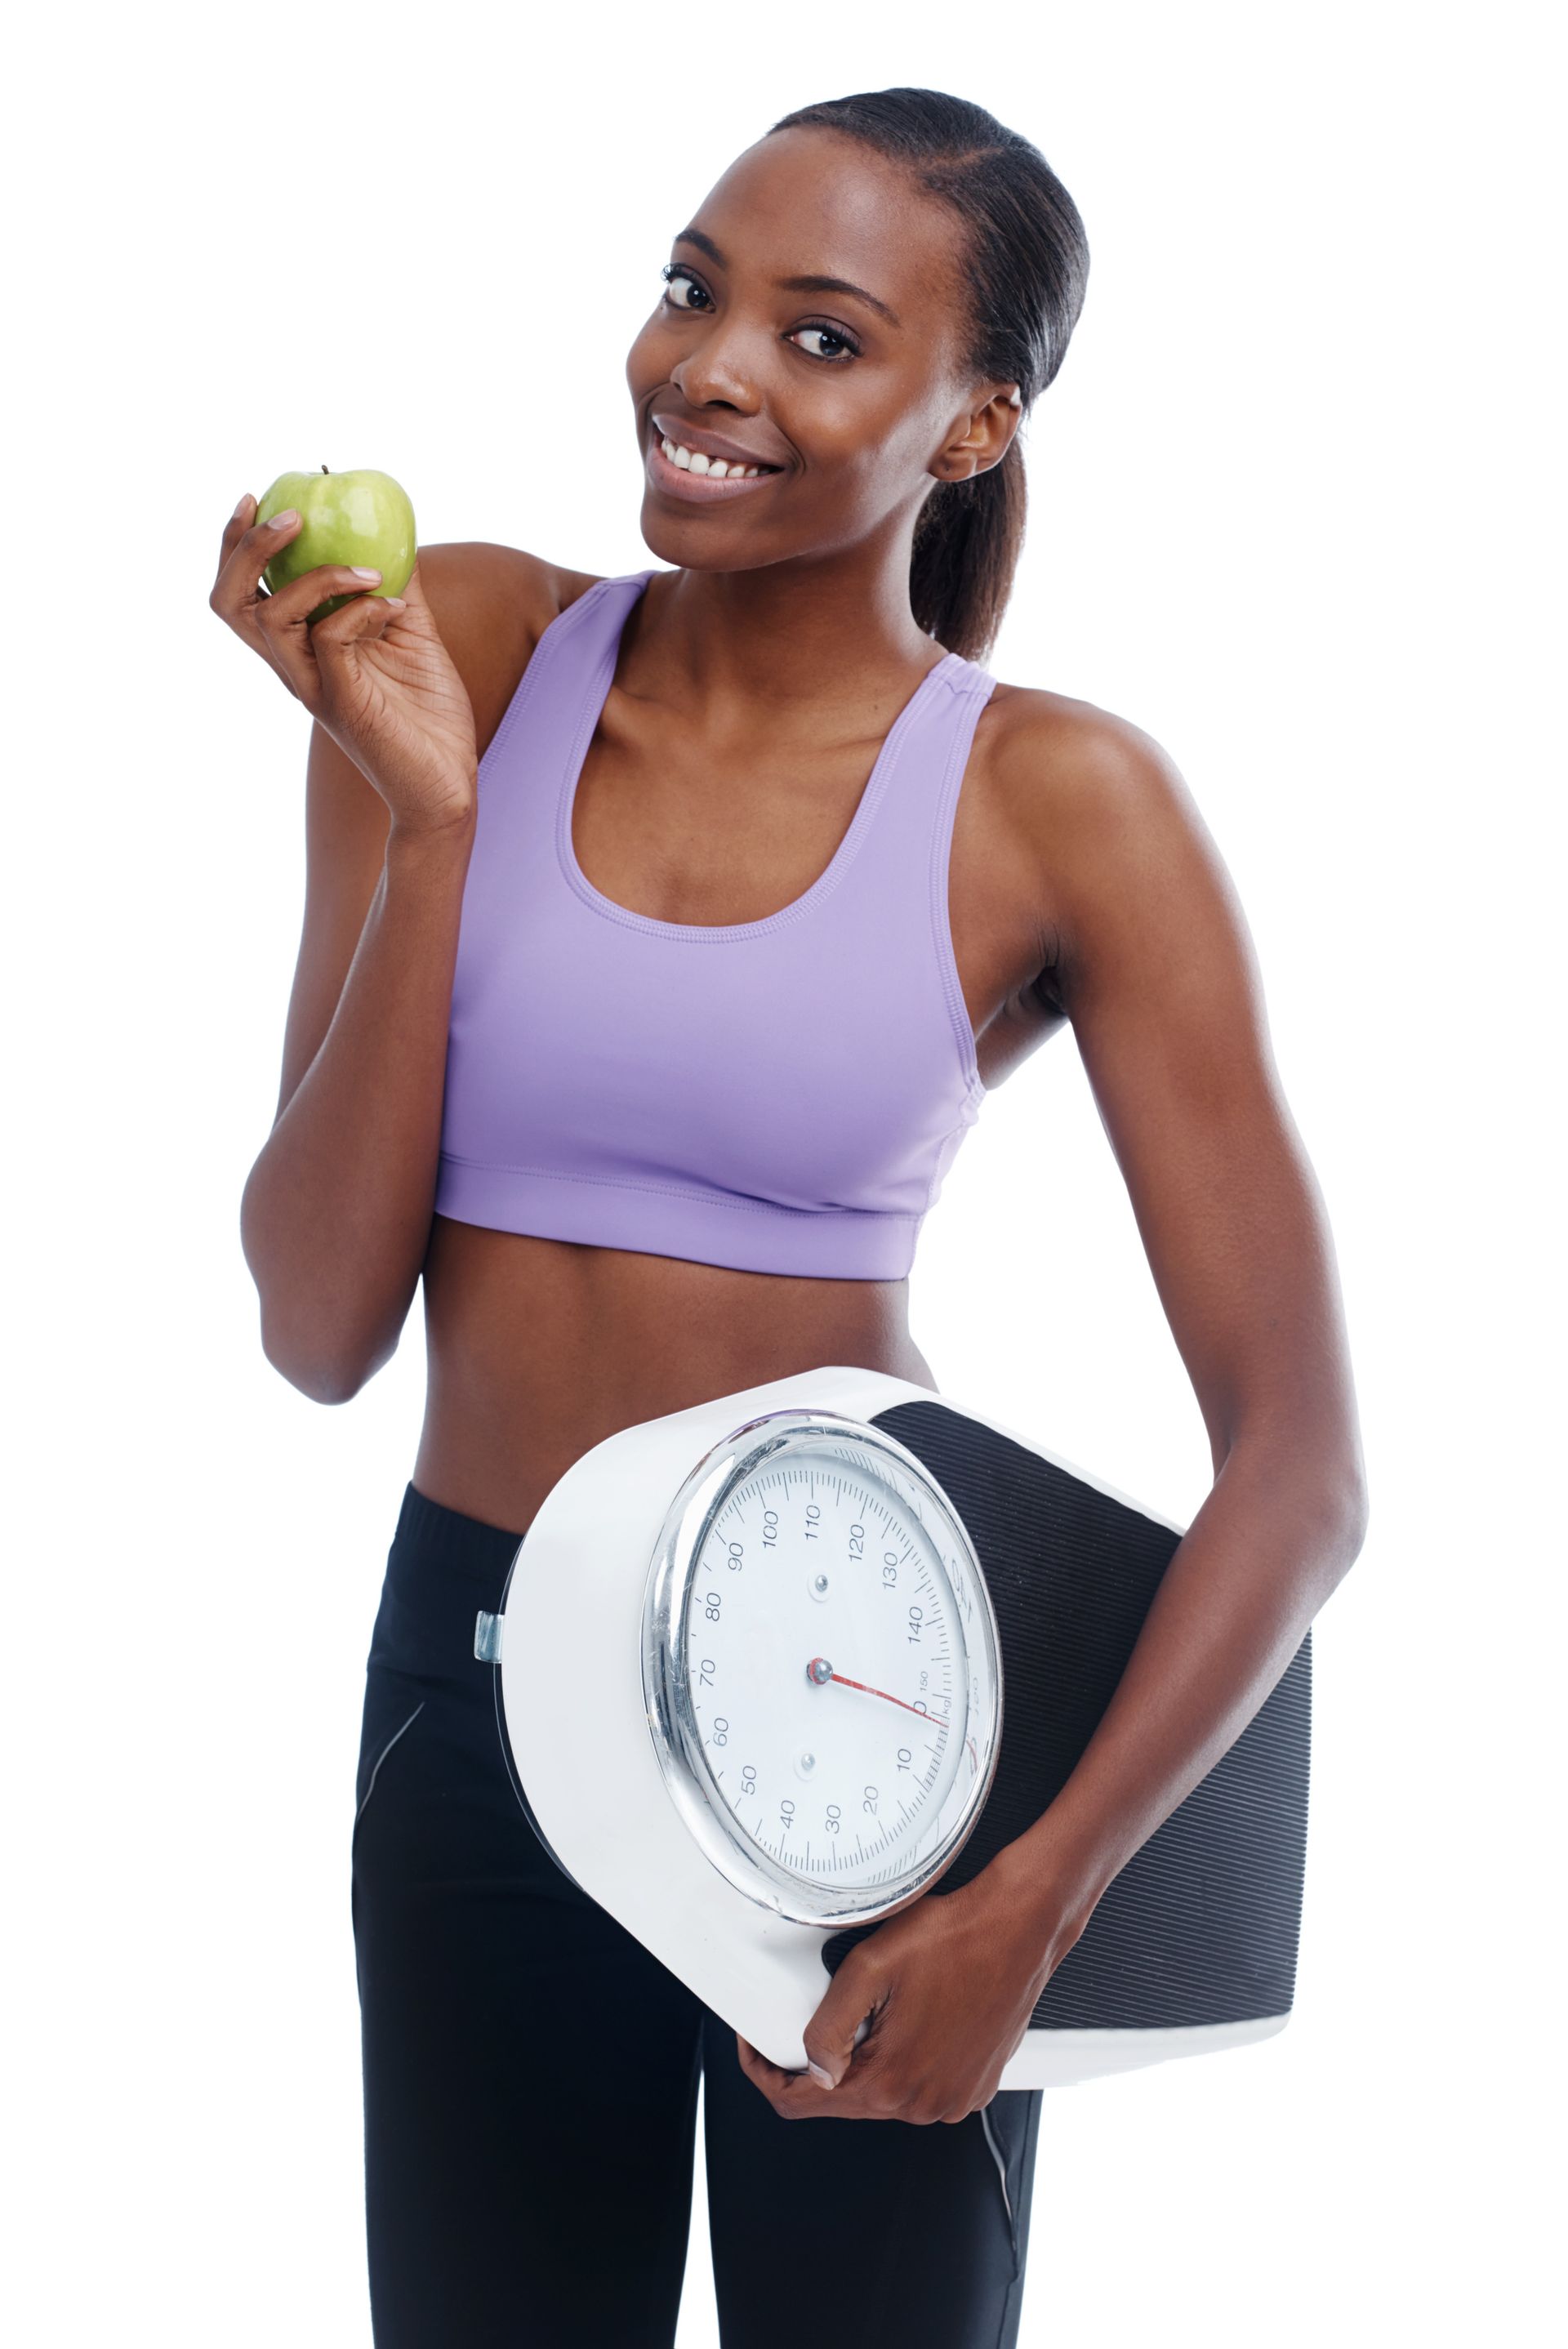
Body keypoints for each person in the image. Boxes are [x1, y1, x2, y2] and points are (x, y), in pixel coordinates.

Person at [212, 84, 1367, 2349]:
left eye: (823, 337)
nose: (712, 368)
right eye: (690, 288)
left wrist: (1030, 1909)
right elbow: (316, 1319)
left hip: (885, 1727)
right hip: (477, 1687)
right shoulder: (452, 642)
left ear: (970, 425)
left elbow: (1304, 1472)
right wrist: (438, 828)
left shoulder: (1062, 797)